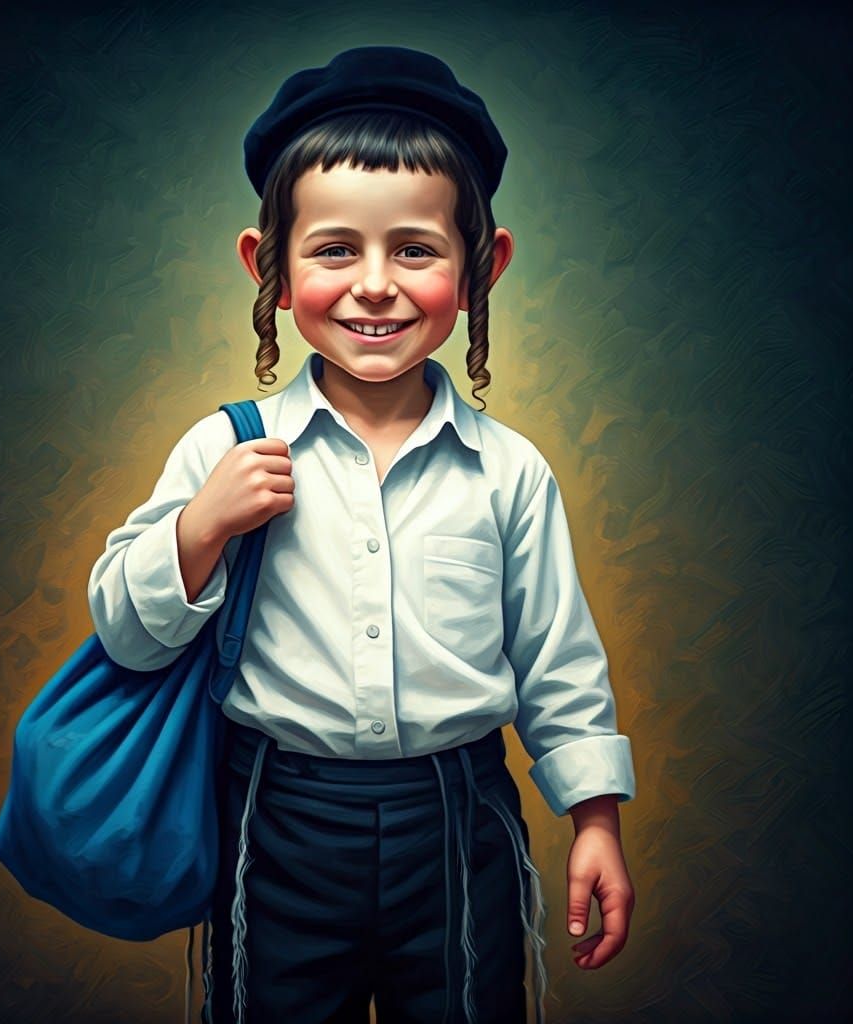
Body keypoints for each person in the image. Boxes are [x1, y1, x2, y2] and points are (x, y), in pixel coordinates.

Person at [88, 46, 637, 1024]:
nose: (373, 285)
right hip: (276, 816)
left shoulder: (509, 471)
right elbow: (129, 636)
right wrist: (201, 526)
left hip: (457, 816)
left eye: (415, 250)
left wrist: (593, 817)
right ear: (270, 266)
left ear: (481, 267)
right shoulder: (226, 447)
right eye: (335, 249)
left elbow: (558, 661)